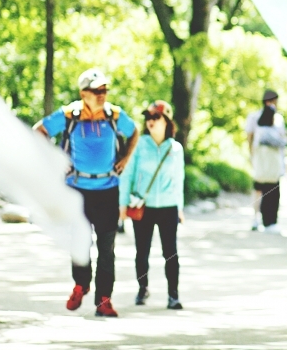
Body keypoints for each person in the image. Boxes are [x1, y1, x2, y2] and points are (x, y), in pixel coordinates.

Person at [34, 68, 139, 317]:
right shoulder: (69, 115)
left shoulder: (114, 115)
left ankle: (104, 300)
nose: (102, 94)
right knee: (79, 241)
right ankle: (81, 284)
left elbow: (134, 132)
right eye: (96, 90)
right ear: (83, 93)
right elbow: (39, 130)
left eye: (104, 90)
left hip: (108, 189)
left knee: (106, 246)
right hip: (77, 189)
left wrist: (125, 157)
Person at [118, 100, 185, 310]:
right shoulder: (139, 145)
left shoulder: (175, 149)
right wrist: (122, 205)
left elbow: (179, 179)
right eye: (148, 117)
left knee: (170, 252)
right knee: (142, 251)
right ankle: (142, 288)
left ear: (167, 121)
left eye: (156, 117)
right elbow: (127, 175)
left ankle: (173, 295)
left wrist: (180, 208)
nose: (151, 121)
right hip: (143, 207)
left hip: (168, 207)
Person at [245, 89, 287, 233]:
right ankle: (258, 219)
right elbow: (250, 137)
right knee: (261, 189)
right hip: (262, 160)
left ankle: (266, 221)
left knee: (267, 190)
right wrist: (252, 156)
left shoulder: (278, 119)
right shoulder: (255, 117)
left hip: (270, 161)